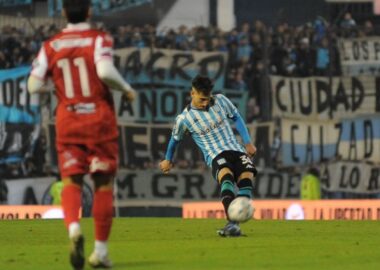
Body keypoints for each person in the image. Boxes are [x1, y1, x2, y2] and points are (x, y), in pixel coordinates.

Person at [27, 1, 135, 269]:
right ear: (89, 11)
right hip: (99, 120)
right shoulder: (98, 39)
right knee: (102, 185)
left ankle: (74, 229)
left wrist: (57, 88)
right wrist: (126, 88)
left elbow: (32, 86)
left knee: (71, 182)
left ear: (63, 13)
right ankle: (100, 252)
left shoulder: (50, 46)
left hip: (68, 120)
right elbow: (105, 71)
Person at [159, 75, 257, 237]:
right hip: (215, 154)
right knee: (226, 176)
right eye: (202, 99)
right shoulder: (184, 119)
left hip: (237, 149)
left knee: (246, 179)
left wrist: (247, 142)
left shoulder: (221, 100)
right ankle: (232, 224)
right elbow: (174, 140)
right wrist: (168, 159)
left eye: (208, 98)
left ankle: (234, 223)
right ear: (192, 93)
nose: (205, 103)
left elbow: (236, 118)